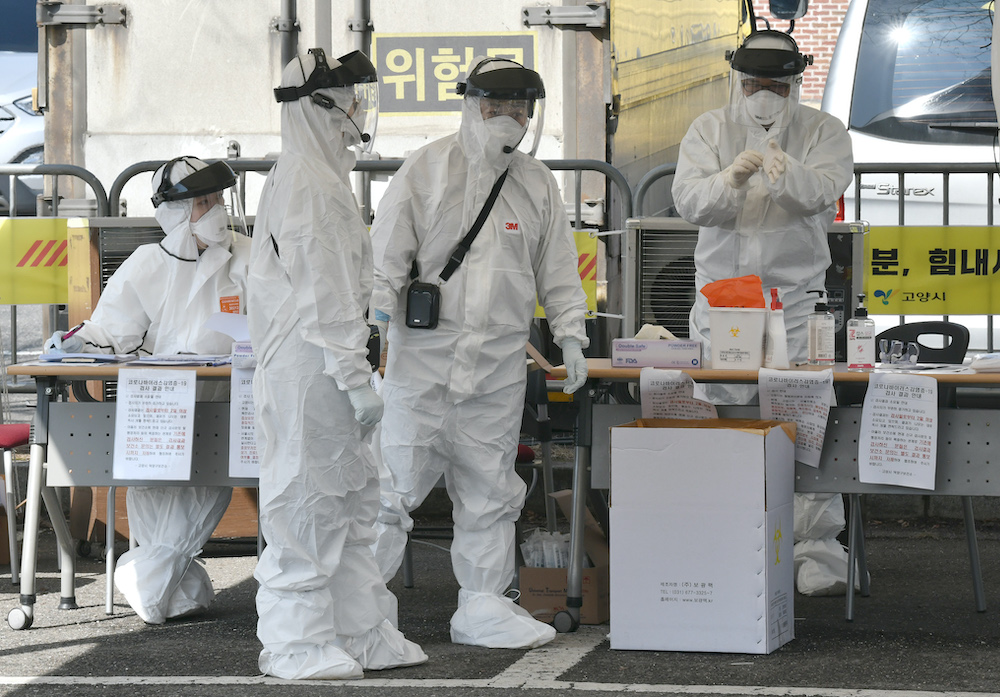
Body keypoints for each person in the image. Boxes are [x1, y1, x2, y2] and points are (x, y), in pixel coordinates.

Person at [368, 56, 590, 649]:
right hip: (423, 362)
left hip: (497, 368)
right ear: (470, 104)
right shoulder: (427, 169)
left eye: (520, 106)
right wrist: (374, 325)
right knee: (390, 488)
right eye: (497, 104)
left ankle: (483, 605)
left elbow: (558, 269)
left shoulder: (537, 182)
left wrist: (571, 335)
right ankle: (359, 605)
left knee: (490, 490)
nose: (509, 116)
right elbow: (385, 259)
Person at [246, 48, 426, 680]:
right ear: (316, 108)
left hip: (329, 372)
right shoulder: (307, 182)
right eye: (348, 102)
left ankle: (359, 630)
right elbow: (322, 297)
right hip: (311, 373)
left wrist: (353, 374)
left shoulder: (321, 177)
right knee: (306, 504)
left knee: (349, 504)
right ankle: (295, 643)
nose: (356, 114)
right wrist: (354, 377)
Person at [671, 29, 855, 596]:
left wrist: (785, 171)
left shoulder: (823, 130)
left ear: (795, 82)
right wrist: (730, 179)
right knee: (722, 413)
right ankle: (727, 535)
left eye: (776, 85)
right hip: (724, 301)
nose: (764, 94)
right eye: (754, 84)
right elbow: (689, 202)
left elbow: (823, 191)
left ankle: (816, 547)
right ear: (738, 80)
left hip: (794, 300)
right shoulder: (710, 129)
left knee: (803, 417)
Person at [44, 156, 250, 623]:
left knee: (206, 488)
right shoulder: (147, 264)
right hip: (157, 407)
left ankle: (143, 580)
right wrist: (76, 342)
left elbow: (275, 323)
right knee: (155, 494)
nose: (216, 209)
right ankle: (162, 583)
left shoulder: (248, 257)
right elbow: (111, 330)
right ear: (175, 212)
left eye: (218, 198)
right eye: (203, 202)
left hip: (226, 403)